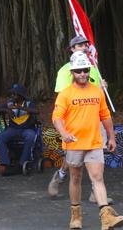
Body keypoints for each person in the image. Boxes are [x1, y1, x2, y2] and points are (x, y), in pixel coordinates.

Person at [52, 51, 123, 230]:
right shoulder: (65, 94)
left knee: (97, 178)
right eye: (79, 71)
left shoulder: (97, 91)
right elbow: (56, 117)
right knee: (76, 178)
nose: (83, 74)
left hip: (94, 142)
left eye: (85, 70)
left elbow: (105, 115)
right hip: (74, 143)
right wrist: (64, 133)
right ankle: (75, 215)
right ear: (72, 72)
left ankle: (106, 217)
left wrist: (111, 137)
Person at [48, 35, 109, 202]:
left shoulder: (93, 68)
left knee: (97, 155)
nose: (84, 47)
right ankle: (60, 176)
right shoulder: (64, 70)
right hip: (74, 120)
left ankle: (96, 192)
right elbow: (63, 96)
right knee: (74, 160)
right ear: (72, 49)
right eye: (80, 45)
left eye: (86, 44)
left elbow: (97, 94)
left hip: (94, 119)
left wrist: (102, 88)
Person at [0, 84, 38, 175]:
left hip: (27, 129)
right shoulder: (10, 102)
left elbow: (36, 111)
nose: (12, 96)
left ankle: (21, 163)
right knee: (1, 138)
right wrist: (7, 110)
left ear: (21, 95)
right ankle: (4, 162)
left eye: (15, 94)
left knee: (30, 137)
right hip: (13, 128)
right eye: (12, 94)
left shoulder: (29, 103)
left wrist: (22, 108)